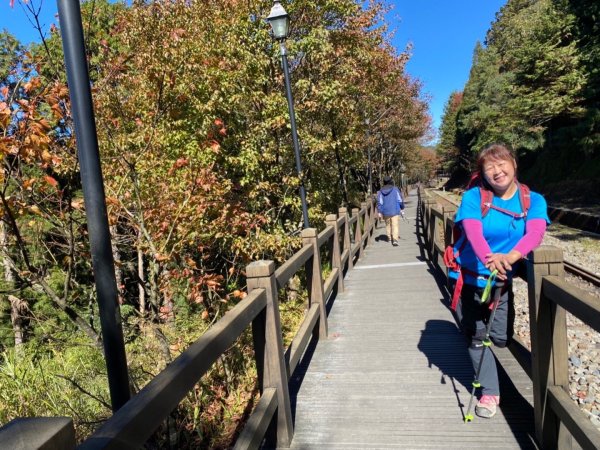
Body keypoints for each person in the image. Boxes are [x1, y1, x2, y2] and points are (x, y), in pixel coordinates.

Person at [448, 143, 549, 419]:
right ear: (482, 172)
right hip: (468, 277)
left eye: (502, 163)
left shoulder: (534, 200)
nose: (497, 170)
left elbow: (536, 233)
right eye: (489, 166)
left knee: (501, 338)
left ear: (514, 164)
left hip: (501, 282)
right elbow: (472, 230)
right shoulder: (473, 197)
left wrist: (512, 256)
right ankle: (490, 392)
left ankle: (490, 348)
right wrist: (491, 258)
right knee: (476, 337)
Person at [377, 176, 405, 246]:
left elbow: (379, 202)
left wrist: (379, 211)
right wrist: (402, 207)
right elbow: (400, 200)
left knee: (388, 224)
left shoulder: (381, 191)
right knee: (395, 225)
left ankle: (389, 237)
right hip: (395, 210)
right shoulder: (395, 189)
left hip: (385, 211)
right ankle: (395, 239)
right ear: (390, 181)